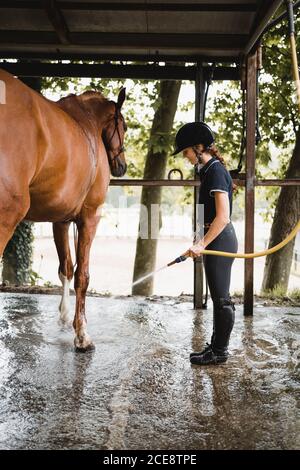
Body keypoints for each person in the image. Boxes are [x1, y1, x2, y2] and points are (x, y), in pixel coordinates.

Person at [172, 122, 238, 365]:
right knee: (216, 297)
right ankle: (215, 346)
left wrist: (203, 243)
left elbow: (223, 216)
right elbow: (205, 212)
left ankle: (220, 352)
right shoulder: (206, 170)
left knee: (221, 299)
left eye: (187, 152)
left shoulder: (217, 171)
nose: (186, 157)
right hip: (212, 239)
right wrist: (198, 239)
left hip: (221, 240)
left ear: (198, 147)